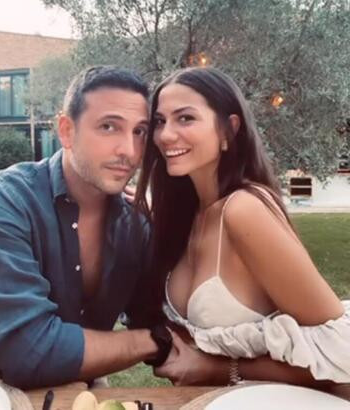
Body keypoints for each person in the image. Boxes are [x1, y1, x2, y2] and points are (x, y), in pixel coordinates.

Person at [0, 66, 168, 389]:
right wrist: (155, 342)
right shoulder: (3, 201)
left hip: (80, 388)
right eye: (109, 127)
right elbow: (23, 351)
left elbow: (160, 316)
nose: (129, 151)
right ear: (66, 130)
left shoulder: (136, 224)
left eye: (139, 132)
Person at [135, 67, 350, 388]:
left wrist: (218, 369)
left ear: (229, 130)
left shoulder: (243, 210)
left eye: (185, 118)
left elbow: (342, 351)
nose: (165, 135)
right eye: (160, 121)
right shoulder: (188, 216)